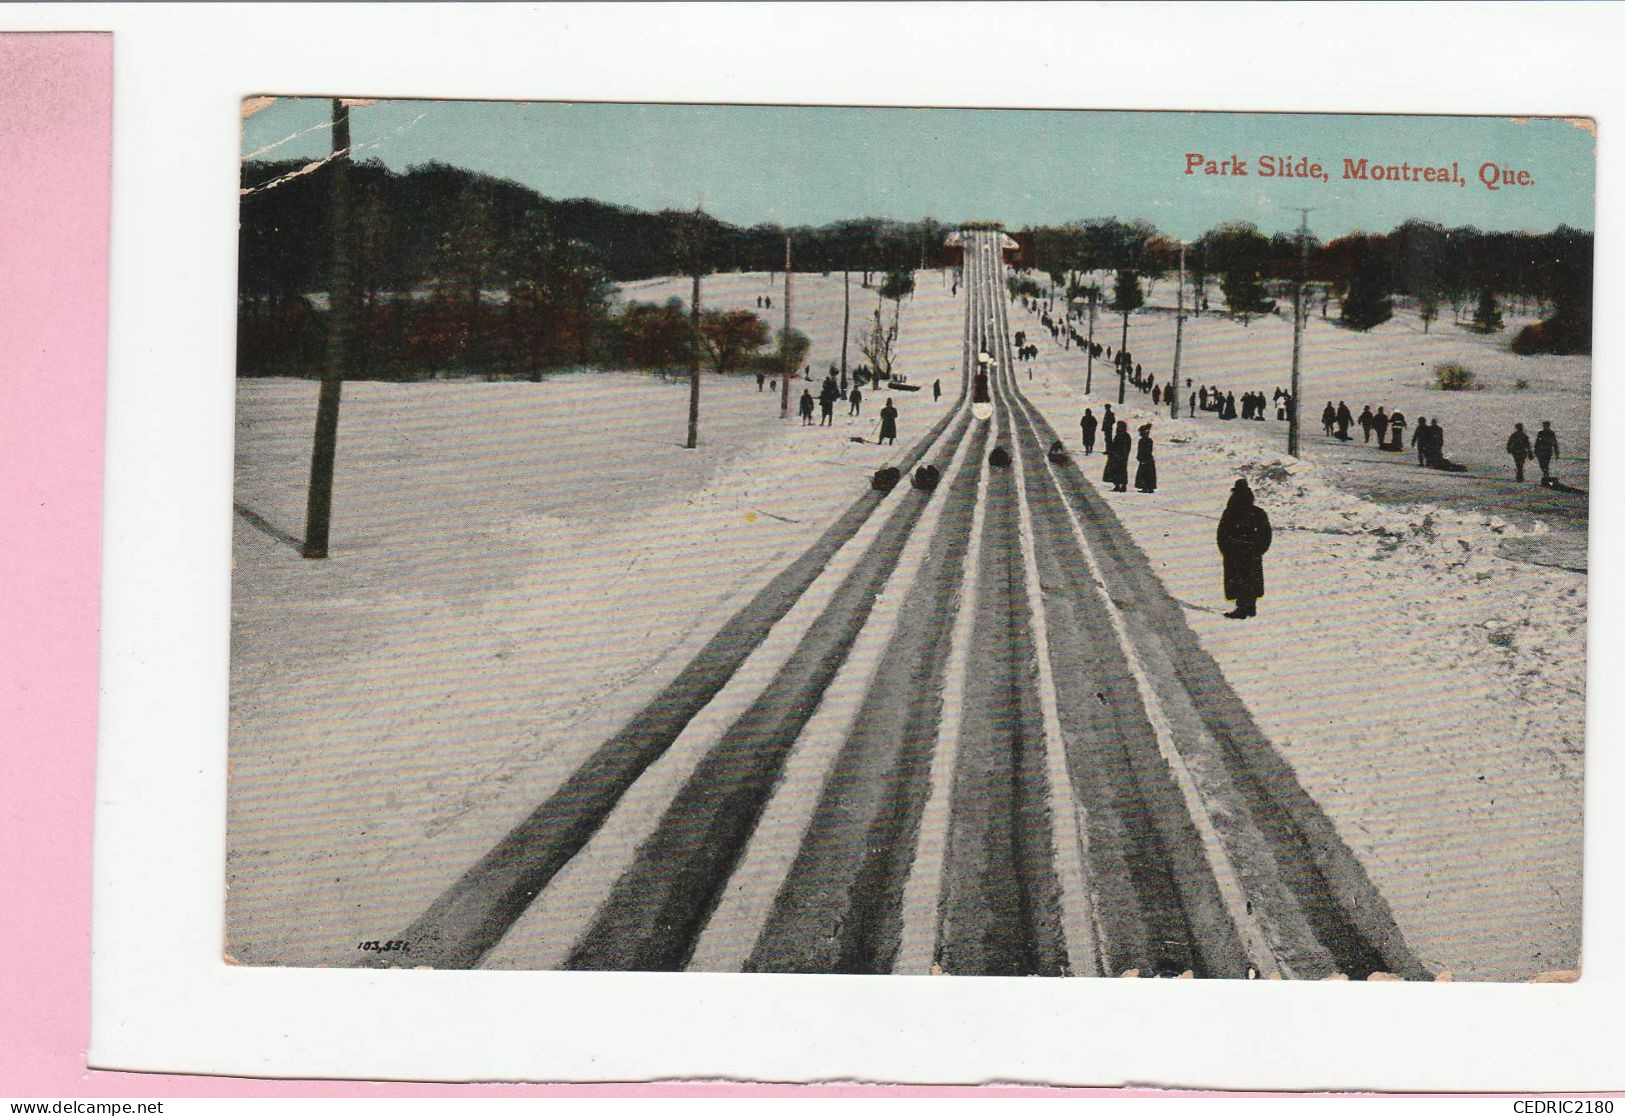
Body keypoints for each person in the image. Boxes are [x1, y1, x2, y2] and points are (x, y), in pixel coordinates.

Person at [1216, 478, 1272, 620]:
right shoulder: (1258, 512)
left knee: (1238, 580)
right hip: (1252, 551)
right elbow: (1266, 534)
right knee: (1251, 579)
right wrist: (1259, 550)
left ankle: (1241, 609)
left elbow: (1221, 533)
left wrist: (1226, 550)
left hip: (1235, 551)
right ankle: (1251, 607)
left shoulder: (1230, 512)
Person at [1103, 421, 1132, 491]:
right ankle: (1117, 485)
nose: (1117, 428)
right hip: (1115, 457)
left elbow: (1125, 448)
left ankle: (1123, 486)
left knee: (1122, 472)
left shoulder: (1126, 436)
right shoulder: (1118, 435)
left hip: (1121, 457)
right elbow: (1114, 445)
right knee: (1115, 472)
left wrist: (1120, 455)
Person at [1134, 424, 1157, 493]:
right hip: (1148, 459)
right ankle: (1150, 488)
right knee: (1149, 474)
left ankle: (1145, 487)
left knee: (1144, 474)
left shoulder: (1143, 441)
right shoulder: (1148, 440)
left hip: (1145, 459)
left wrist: (1142, 458)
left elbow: (1144, 450)